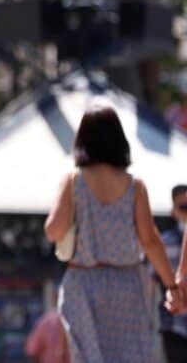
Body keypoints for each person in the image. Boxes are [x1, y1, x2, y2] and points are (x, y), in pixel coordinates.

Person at [44, 105, 179, 362]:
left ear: (83, 138)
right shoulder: (134, 185)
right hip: (127, 283)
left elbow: (54, 231)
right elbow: (149, 240)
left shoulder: (74, 181)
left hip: (83, 282)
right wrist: (171, 285)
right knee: (130, 354)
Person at [156, 185, 187, 361]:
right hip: (174, 324)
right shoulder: (164, 243)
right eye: (184, 207)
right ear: (173, 210)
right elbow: (149, 281)